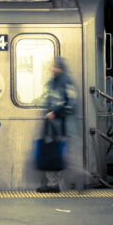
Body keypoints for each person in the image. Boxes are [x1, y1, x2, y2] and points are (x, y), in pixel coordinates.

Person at [36, 56, 78, 193]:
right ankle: (53, 184)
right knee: (51, 154)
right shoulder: (52, 82)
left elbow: (71, 103)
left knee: (63, 156)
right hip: (52, 127)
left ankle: (79, 179)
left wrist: (56, 113)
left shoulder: (67, 82)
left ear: (60, 68)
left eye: (55, 66)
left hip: (63, 126)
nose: (52, 69)